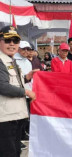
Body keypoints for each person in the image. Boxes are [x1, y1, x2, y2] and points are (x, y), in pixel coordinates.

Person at [0, 26, 36, 157]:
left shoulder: (10, 60)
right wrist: (26, 92)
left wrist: (27, 77)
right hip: (5, 118)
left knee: (15, 151)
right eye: (7, 40)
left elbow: (13, 82)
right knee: (8, 153)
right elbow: (2, 86)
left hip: (15, 115)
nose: (12, 44)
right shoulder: (1, 61)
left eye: (15, 41)